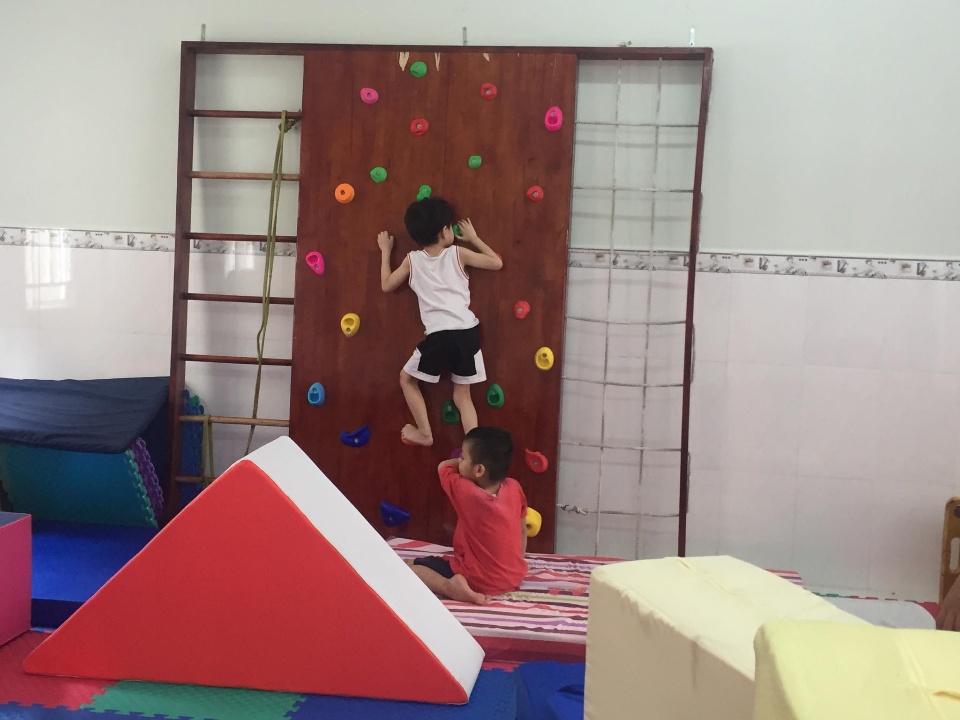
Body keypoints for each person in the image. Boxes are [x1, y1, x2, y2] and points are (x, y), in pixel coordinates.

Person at [378, 197, 502, 447]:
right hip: (467, 333)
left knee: (407, 379)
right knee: (462, 396)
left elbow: (387, 285)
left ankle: (424, 432)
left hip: (440, 336)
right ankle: (474, 453)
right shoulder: (458, 253)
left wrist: (385, 251)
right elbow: (496, 263)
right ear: (445, 231)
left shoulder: (412, 260)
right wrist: (473, 238)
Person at [406, 426, 528, 605]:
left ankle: (450, 587)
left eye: (462, 457)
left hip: (477, 579)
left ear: (479, 470)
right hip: (514, 577)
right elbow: (522, 530)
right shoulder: (514, 488)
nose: (459, 460)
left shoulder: (468, 493)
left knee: (408, 568)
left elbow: (443, 466)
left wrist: (461, 465)